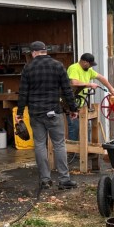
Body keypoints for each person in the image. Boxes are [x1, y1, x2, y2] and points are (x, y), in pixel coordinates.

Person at [14, 41, 79, 190]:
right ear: (45, 51)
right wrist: (73, 109)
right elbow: (67, 90)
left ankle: (45, 180)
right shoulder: (58, 65)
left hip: (35, 113)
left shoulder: (28, 68)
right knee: (59, 144)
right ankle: (64, 180)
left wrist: (19, 113)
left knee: (39, 144)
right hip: (53, 112)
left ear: (33, 53)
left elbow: (23, 92)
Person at [65, 52, 114, 140]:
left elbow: (101, 77)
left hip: (81, 103)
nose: (91, 67)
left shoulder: (88, 70)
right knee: (74, 127)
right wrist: (89, 84)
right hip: (71, 102)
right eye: (90, 64)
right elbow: (74, 83)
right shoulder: (74, 68)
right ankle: (73, 148)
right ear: (84, 62)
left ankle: (87, 147)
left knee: (86, 127)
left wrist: (111, 88)